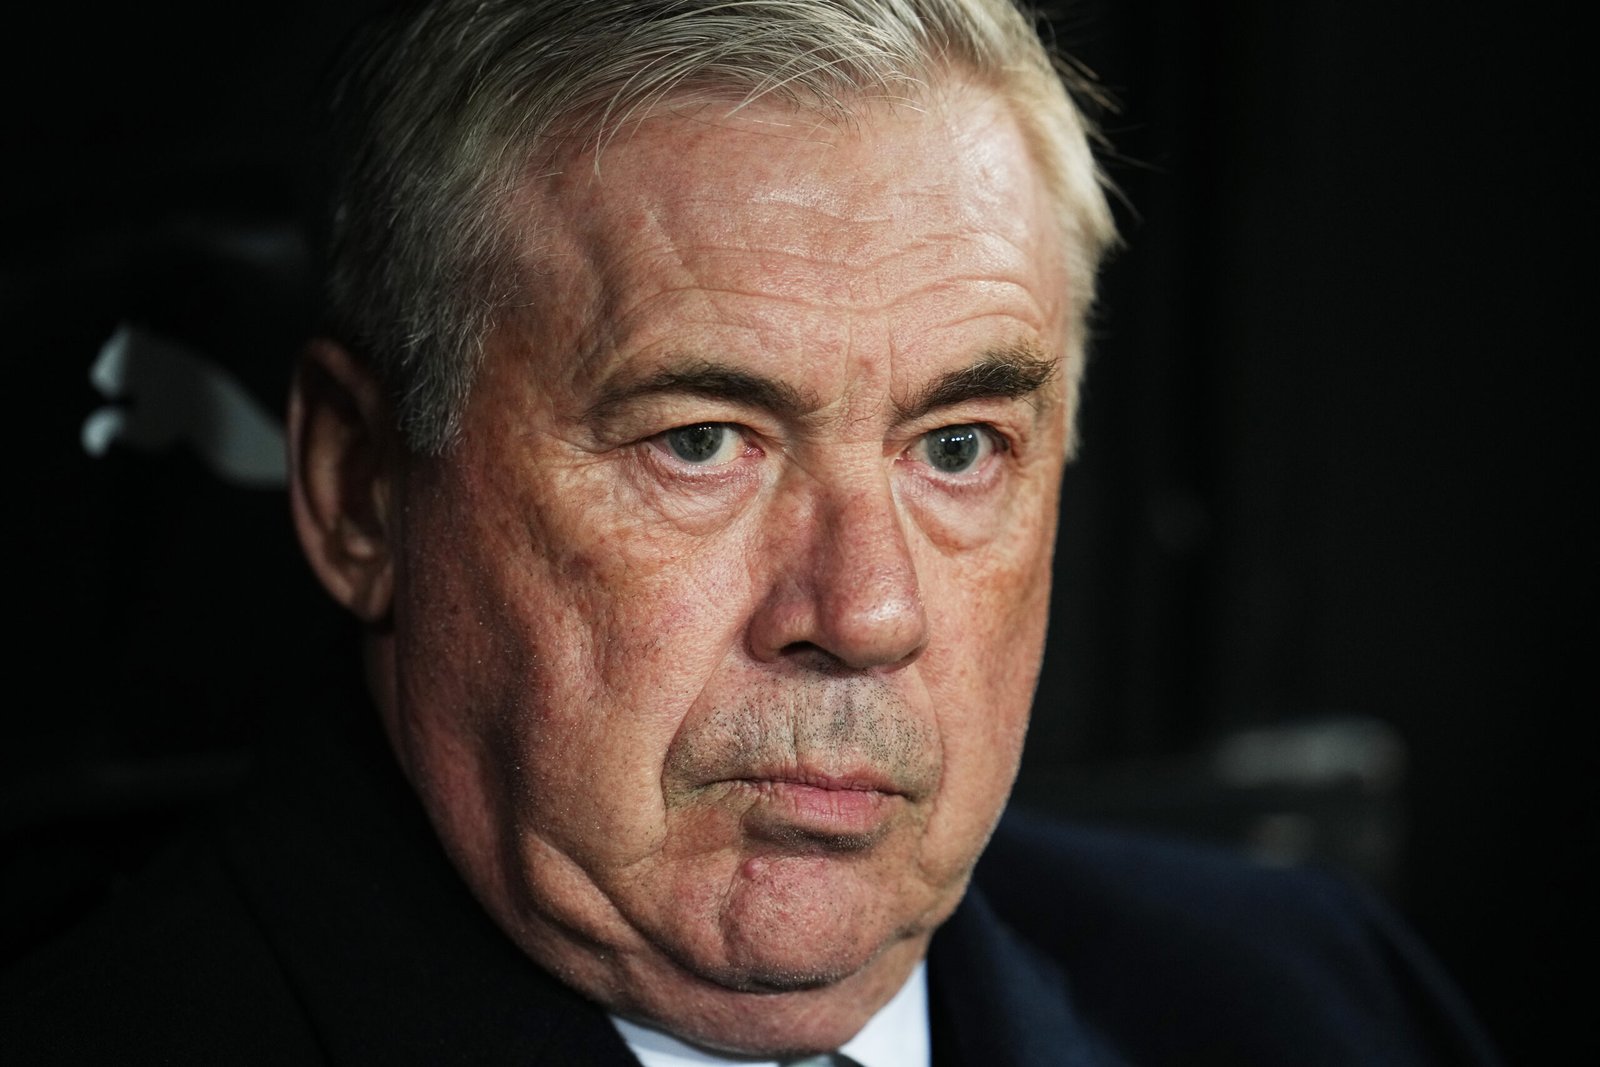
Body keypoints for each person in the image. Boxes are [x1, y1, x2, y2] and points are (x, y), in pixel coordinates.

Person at [4, 1, 1501, 1063]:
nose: (863, 611)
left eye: (961, 446)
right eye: (702, 442)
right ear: (358, 490)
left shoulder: (1319, 1003)